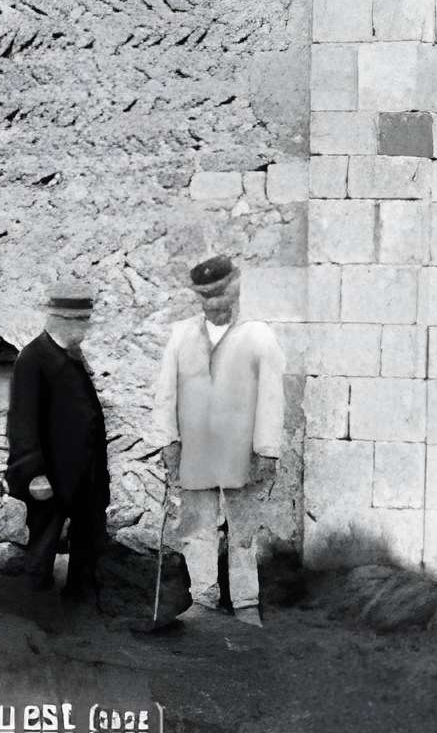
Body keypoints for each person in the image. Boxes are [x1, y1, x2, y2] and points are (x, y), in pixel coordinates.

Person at [150, 253, 286, 626]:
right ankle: (204, 598)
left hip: (241, 450)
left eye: (219, 295)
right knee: (196, 527)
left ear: (235, 290)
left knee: (243, 530)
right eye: (205, 297)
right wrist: (168, 441)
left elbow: (272, 396)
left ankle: (246, 603)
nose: (213, 305)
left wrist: (267, 449)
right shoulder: (181, 335)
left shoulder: (258, 335)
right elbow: (166, 393)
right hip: (195, 448)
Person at [5, 281, 110, 610]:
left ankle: (78, 611)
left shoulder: (72, 358)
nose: (88, 328)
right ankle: (33, 615)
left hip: (83, 475)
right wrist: (33, 472)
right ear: (66, 321)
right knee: (43, 546)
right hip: (50, 478)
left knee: (88, 543)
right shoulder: (34, 358)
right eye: (84, 321)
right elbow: (22, 421)